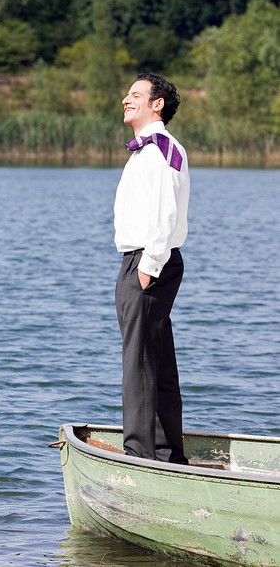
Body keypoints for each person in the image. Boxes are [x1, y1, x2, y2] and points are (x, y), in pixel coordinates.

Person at [114, 73, 190, 464]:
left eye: (136, 94)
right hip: (145, 260)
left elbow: (166, 212)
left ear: (157, 103)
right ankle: (165, 453)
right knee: (155, 359)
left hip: (147, 260)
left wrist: (149, 265)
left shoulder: (161, 147)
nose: (126, 99)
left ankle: (139, 455)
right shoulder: (147, 149)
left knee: (139, 361)